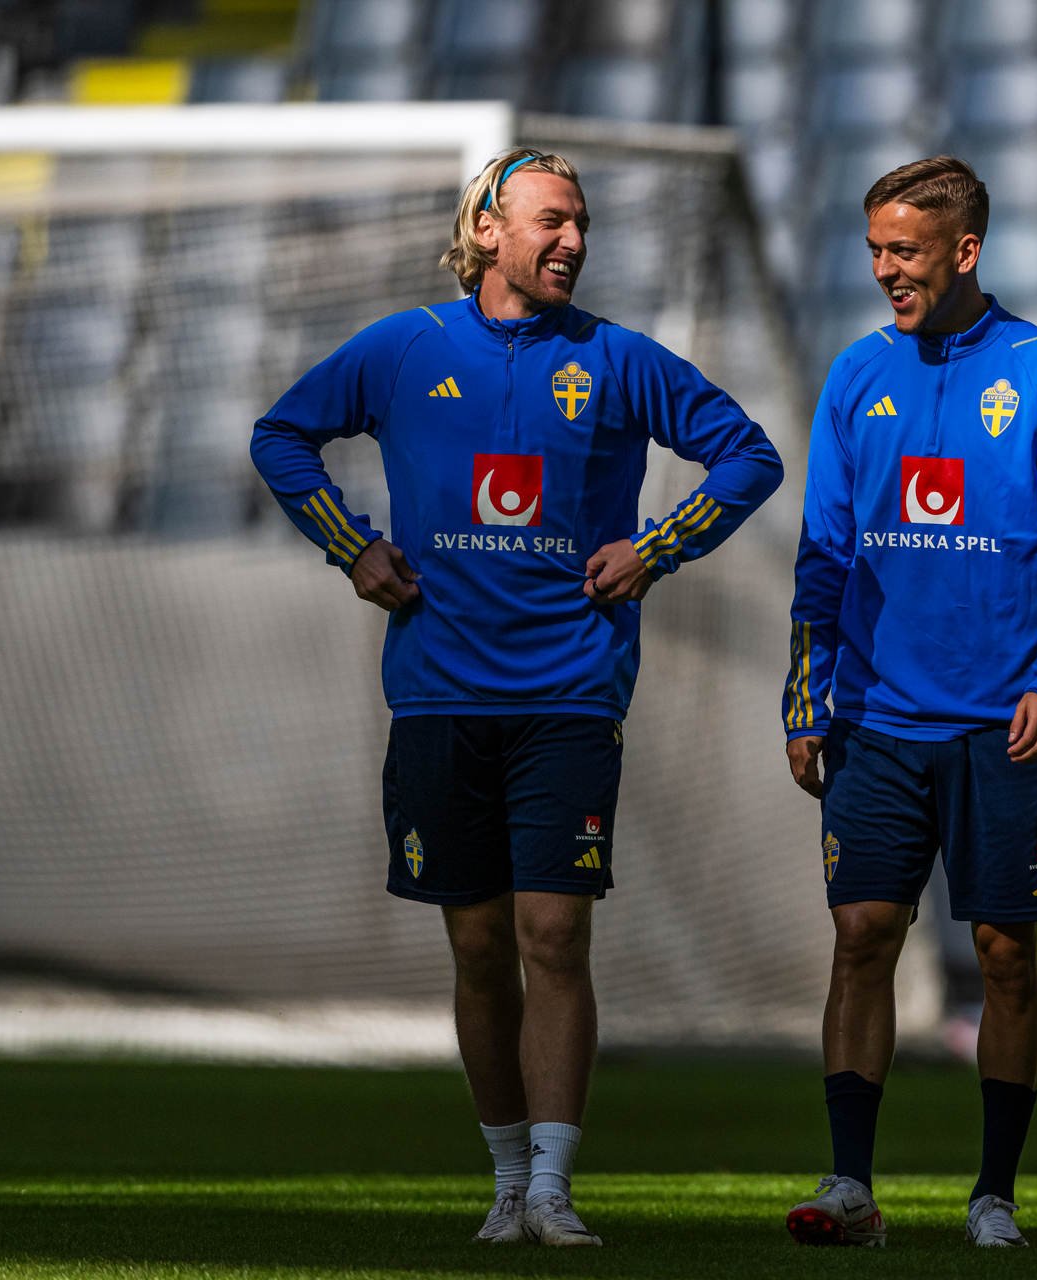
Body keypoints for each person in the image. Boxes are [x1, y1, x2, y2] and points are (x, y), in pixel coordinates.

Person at [250, 148, 782, 1248]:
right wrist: (353, 548)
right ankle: (503, 1177)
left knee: (554, 932)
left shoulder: (619, 360)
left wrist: (656, 546)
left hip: (571, 693)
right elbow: (280, 435)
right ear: (487, 229)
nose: (573, 241)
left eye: (581, 223)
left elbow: (748, 456)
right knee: (480, 944)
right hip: (439, 694)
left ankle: (552, 1182)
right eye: (551, 220)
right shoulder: (405, 348)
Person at [780, 156, 1037, 1250]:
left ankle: (995, 1192)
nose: (885, 270)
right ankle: (849, 1186)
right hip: (875, 717)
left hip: (1003, 721)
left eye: (905, 251)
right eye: (874, 249)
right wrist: (804, 695)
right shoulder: (855, 376)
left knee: (1008, 952)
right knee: (862, 934)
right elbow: (823, 550)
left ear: (965, 250)